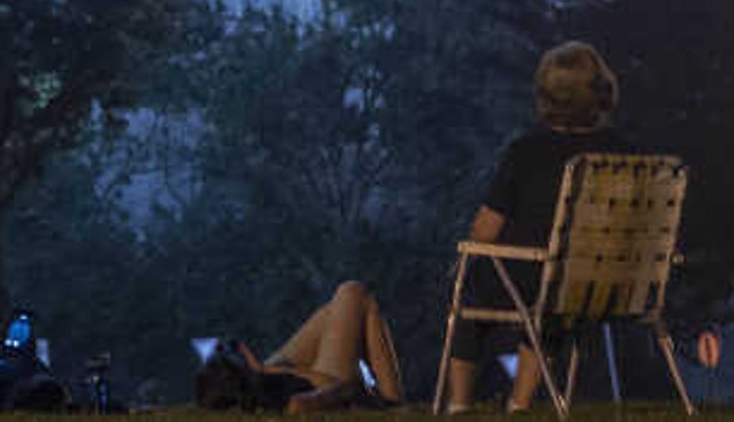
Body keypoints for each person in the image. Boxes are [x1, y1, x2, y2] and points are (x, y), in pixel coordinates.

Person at [438, 42, 646, 412]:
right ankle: (519, 402)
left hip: (533, 278)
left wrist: (466, 257)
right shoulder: (625, 154)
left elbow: (486, 227)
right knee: (552, 301)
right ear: (601, 92)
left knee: (476, 289)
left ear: (547, 95)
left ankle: (460, 404)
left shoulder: (526, 152)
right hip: (608, 282)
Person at [204, 281, 405, 409]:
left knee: (333, 310)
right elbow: (340, 387)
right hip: (317, 378)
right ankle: (392, 394)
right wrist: (269, 370)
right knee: (352, 292)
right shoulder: (292, 403)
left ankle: (392, 392)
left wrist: (262, 368)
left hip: (275, 374)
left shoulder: (258, 384)